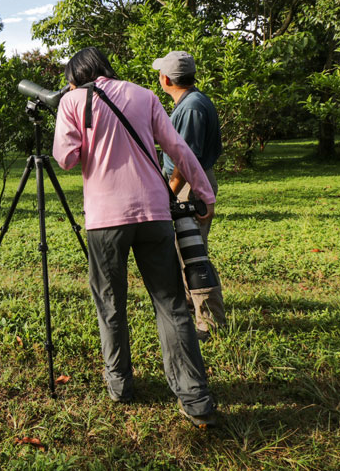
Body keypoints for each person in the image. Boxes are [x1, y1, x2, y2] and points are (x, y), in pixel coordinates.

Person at [53, 47, 218, 427]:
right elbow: (177, 148)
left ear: (76, 78)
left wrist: (72, 121)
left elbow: (67, 158)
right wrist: (203, 194)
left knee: (110, 302)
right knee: (172, 304)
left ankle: (119, 385)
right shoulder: (144, 95)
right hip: (155, 213)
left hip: (105, 220)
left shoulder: (73, 101)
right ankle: (195, 399)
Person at [153, 51, 225, 341]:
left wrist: (168, 192)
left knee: (194, 255)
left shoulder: (192, 107)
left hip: (189, 185)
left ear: (166, 79)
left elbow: (187, 160)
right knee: (182, 252)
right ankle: (188, 309)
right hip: (186, 182)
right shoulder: (191, 102)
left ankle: (209, 322)